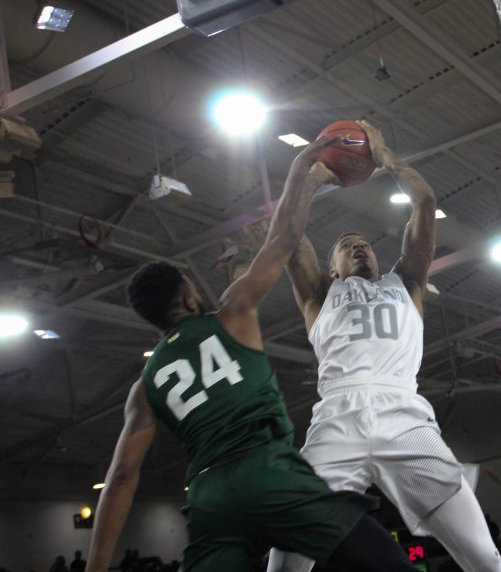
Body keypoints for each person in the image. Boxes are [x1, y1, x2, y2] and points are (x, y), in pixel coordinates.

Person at [84, 137, 420, 572]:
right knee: (387, 562)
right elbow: (286, 236)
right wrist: (304, 166)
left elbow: (121, 478)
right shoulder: (232, 313)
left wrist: (94, 567)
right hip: (269, 473)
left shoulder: (144, 389)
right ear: (188, 298)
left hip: (209, 500)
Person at [268, 121, 501, 572]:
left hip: (404, 415)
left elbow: (425, 202)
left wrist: (386, 158)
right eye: (346, 246)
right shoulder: (319, 295)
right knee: (285, 563)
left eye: (364, 244)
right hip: (337, 419)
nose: (360, 248)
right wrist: (309, 173)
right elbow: (287, 232)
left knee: (484, 557)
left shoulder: (408, 283)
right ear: (333, 267)